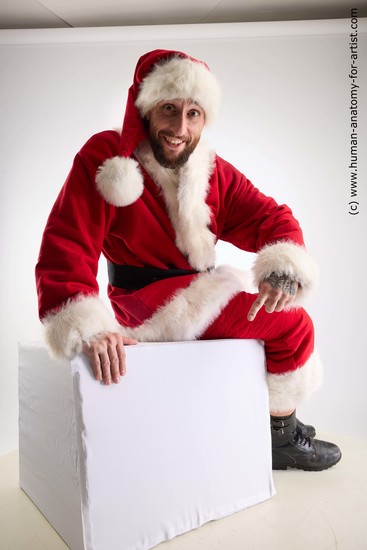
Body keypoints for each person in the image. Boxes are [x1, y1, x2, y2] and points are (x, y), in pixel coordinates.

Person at [35, 49, 341, 471]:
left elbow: (269, 216)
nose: (180, 128)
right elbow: (66, 241)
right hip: (146, 302)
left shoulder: (211, 169)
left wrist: (282, 270)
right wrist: (86, 327)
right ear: (146, 109)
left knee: (282, 306)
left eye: (193, 114)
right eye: (169, 109)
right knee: (293, 325)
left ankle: (257, 425)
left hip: (195, 290)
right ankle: (281, 436)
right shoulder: (108, 156)